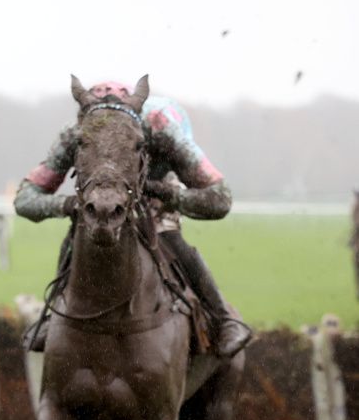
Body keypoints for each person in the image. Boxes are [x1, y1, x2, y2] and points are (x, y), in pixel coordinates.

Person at [15, 81, 252, 358]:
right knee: (76, 236)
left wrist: (165, 193)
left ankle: (223, 319)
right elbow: (25, 199)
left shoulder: (159, 127)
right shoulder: (76, 134)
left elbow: (219, 198)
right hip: (99, 200)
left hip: (154, 200)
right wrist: (67, 204)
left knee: (171, 239)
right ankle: (53, 315)